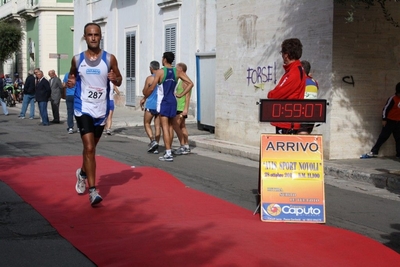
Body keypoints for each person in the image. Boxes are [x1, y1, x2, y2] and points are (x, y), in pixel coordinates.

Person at [67, 22, 122, 206]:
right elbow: (72, 76)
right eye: (89, 34)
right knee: (89, 148)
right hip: (83, 107)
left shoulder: (109, 59)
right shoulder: (77, 59)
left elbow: (120, 79)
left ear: (100, 36)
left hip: (101, 108)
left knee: (92, 147)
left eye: (96, 34)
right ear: (85, 37)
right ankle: (93, 191)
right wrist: (70, 82)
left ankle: (82, 173)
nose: (93, 37)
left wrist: (116, 79)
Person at [143, 52, 194, 162]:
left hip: (164, 102)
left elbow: (152, 88)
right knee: (175, 125)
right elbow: (191, 83)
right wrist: (181, 94)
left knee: (165, 127)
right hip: (173, 100)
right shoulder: (177, 71)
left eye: (162, 58)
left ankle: (168, 152)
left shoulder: (161, 72)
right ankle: (184, 145)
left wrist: (145, 96)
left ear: (164, 59)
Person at [267, 38, 306, 134]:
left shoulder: (293, 73)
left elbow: (277, 94)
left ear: (286, 54)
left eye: (282, 53)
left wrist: (270, 94)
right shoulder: (297, 69)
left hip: (287, 122)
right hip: (289, 120)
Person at [360, 82, 400, 159]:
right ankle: (374, 152)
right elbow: (385, 109)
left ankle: (399, 154)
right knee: (383, 137)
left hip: (398, 122)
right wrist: (384, 119)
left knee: (399, 139)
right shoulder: (393, 98)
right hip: (390, 121)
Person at [140, 60, 161, 154]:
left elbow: (145, 91)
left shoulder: (150, 78)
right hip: (160, 105)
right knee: (157, 126)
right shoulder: (162, 78)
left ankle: (152, 141)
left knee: (147, 123)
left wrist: (144, 96)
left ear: (151, 68)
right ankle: (156, 145)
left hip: (151, 104)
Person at [172, 63, 192, 155]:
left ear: (180, 69)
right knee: (182, 127)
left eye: (177, 68)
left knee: (176, 126)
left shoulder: (185, 82)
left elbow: (187, 97)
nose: (175, 70)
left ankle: (183, 146)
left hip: (181, 108)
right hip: (178, 106)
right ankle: (186, 146)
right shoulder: (181, 80)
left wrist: (185, 110)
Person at [297, 60, 319, 135]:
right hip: (312, 115)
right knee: (306, 135)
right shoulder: (314, 82)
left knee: (302, 136)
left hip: (303, 113)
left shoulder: (301, 81)